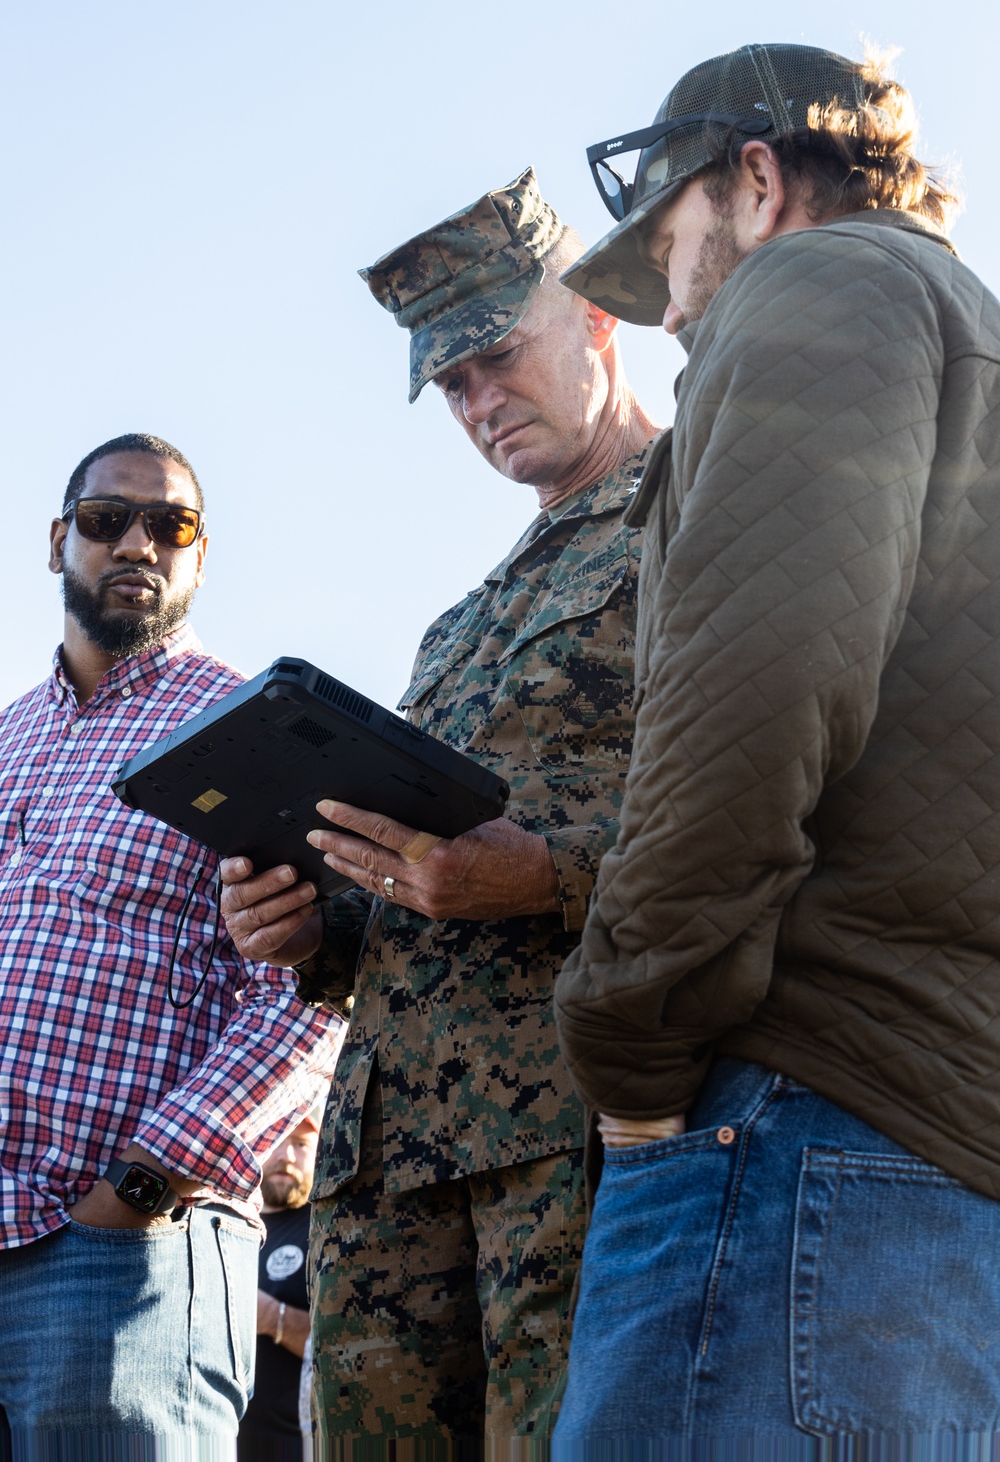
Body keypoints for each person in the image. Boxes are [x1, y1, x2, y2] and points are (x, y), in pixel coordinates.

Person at [551, 43, 1000, 1442]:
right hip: (942, 1145)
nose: (677, 314)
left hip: (803, 1116)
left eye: (674, 256)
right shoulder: (972, 335)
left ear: (755, 179)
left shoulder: (817, 282)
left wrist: (628, 1046)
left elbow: (755, 694)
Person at [221, 167, 659, 1446]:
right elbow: (410, 889)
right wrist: (310, 929)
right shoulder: (456, 624)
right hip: (383, 1153)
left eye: (495, 358)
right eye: (451, 385)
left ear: (593, 321)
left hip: (576, 1132)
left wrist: (551, 878)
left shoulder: (700, 517)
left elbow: (774, 808)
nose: (478, 403)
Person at [0, 434, 341, 1446]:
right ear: (61, 540)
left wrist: (146, 1182)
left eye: (171, 524)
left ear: (200, 555)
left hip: (123, 1252)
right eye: (109, 520)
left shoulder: (252, 731)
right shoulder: (7, 741)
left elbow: (310, 984)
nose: (139, 542)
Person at [239, 1106, 323, 1461]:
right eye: (277, 1139)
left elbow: (349, 1342)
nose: (287, 1155)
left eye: (301, 1144)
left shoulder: (326, 1229)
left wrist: (272, 1316)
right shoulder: (226, 1224)